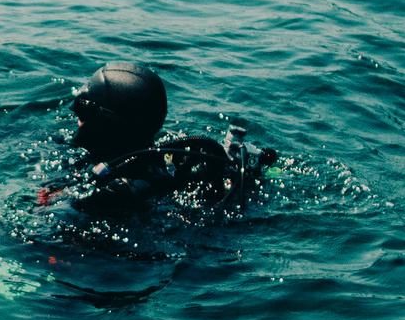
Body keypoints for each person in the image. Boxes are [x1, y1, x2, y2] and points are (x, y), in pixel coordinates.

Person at [38, 62, 271, 217]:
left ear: (104, 126)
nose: (77, 121)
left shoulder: (108, 193)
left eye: (82, 115)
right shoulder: (167, 164)